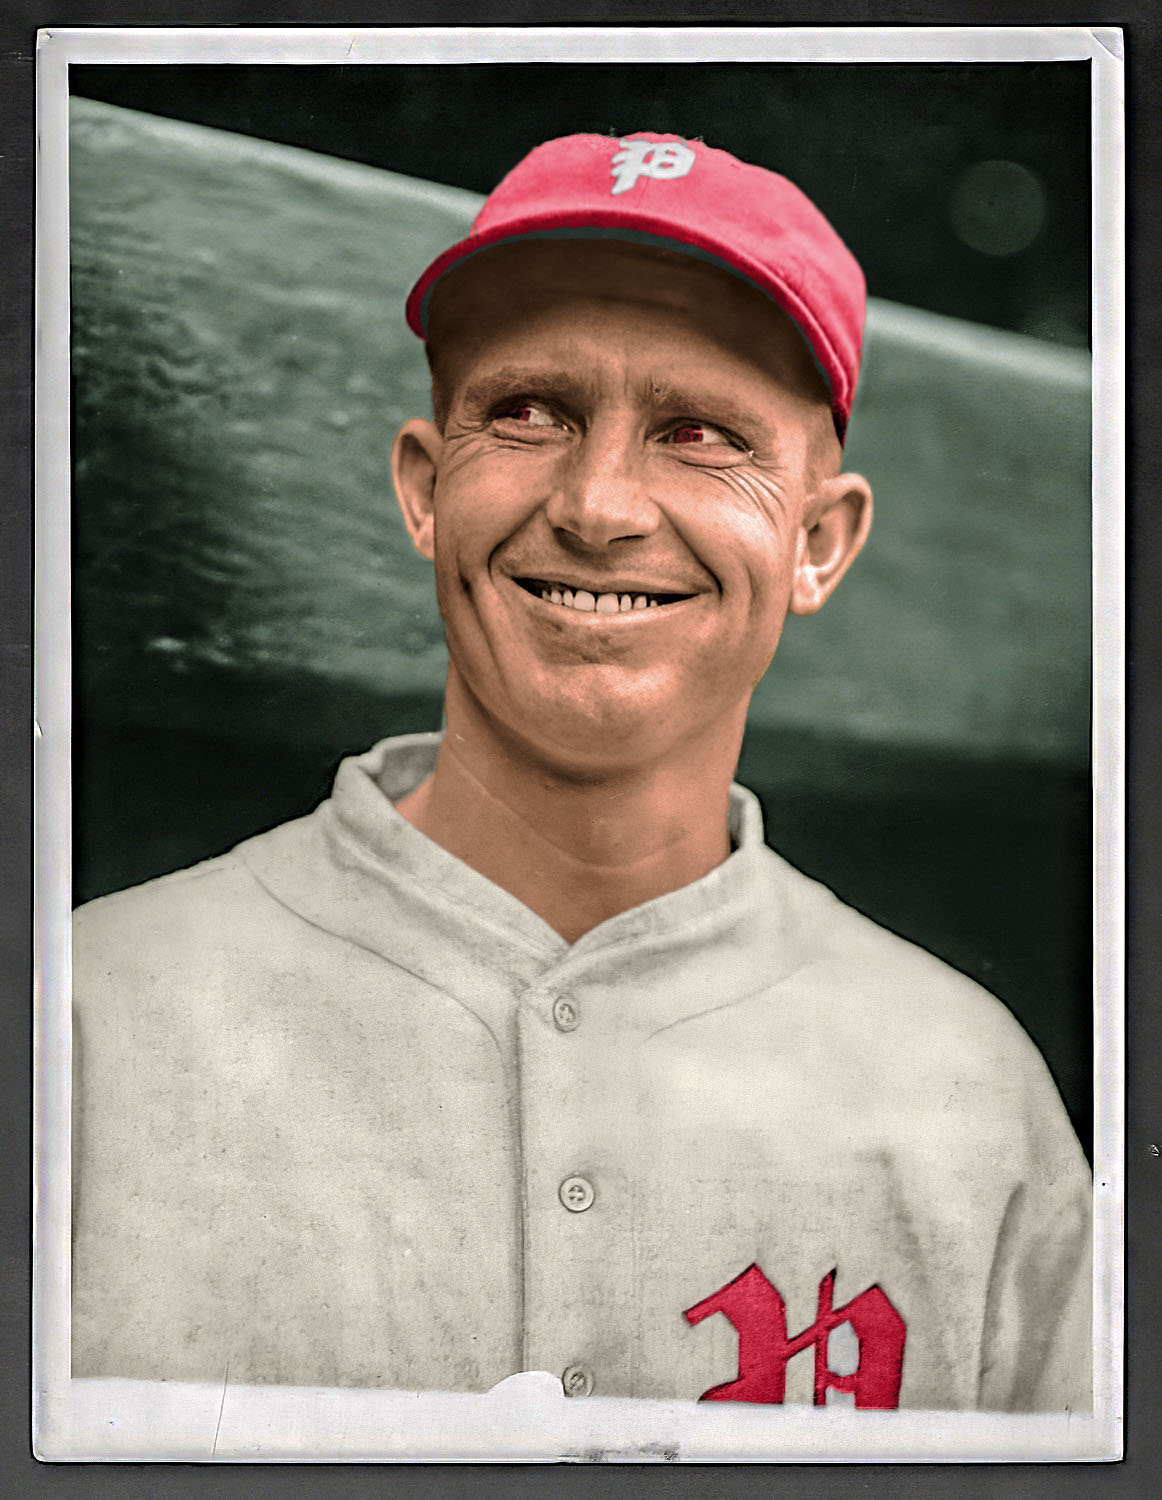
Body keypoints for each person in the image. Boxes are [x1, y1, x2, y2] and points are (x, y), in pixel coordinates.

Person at [71, 132, 1091, 1412]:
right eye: (527, 412)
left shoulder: (968, 1098)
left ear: (818, 542)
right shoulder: (84, 1021)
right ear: (425, 489)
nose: (599, 504)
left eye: (700, 432)